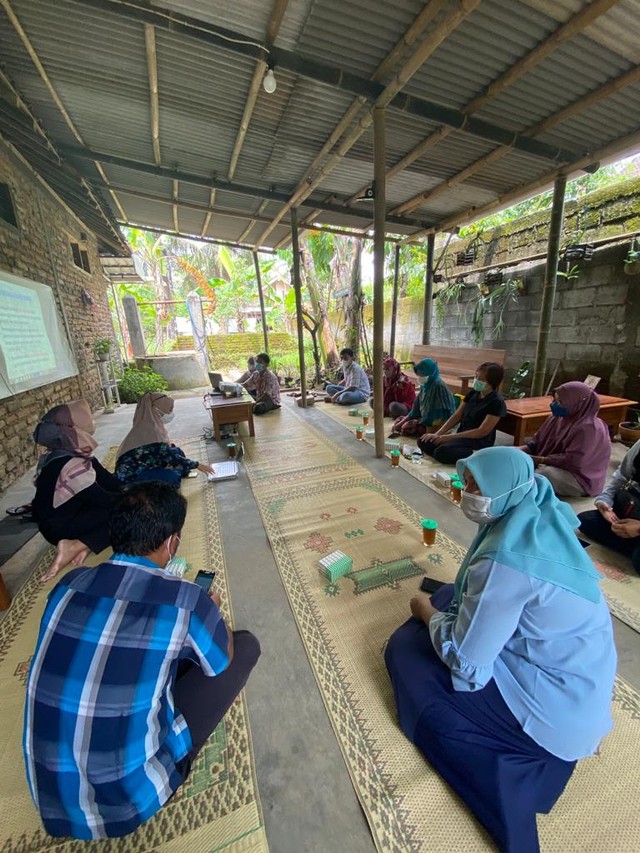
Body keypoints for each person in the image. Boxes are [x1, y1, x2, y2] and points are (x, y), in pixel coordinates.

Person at [385, 447, 616, 853]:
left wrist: (424, 614)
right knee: (449, 599)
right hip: (580, 684)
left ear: (505, 488)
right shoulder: (538, 514)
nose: (466, 491)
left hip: (555, 716)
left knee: (407, 651)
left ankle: (503, 775)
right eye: (468, 480)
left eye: (477, 484)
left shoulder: (505, 561)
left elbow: (467, 664)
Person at [23, 480, 260, 840]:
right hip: (130, 799)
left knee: (147, 653)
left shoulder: (68, 585)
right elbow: (220, 662)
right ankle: (169, 767)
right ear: (172, 543)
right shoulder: (185, 599)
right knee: (244, 646)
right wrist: (210, 611)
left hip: (53, 798)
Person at [31, 400, 121, 573]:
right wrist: (136, 500)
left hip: (62, 520)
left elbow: (109, 481)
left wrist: (136, 489)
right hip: (59, 529)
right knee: (128, 515)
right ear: (72, 427)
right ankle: (75, 545)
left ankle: (84, 544)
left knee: (128, 505)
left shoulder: (67, 452)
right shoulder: (70, 463)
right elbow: (103, 500)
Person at [517, 381, 611, 497]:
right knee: (511, 458)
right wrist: (515, 451)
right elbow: (535, 444)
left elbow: (573, 461)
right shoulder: (556, 418)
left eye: (560, 402)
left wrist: (539, 460)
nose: (554, 405)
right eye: (554, 400)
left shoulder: (589, 428)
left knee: (542, 475)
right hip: (551, 464)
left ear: (576, 404)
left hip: (579, 477)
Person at [115, 392, 215, 487]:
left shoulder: (148, 422)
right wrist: (198, 465)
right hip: (132, 475)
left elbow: (165, 451)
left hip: (144, 462)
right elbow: (169, 456)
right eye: (169, 410)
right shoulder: (150, 430)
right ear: (156, 409)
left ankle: (176, 470)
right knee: (172, 478)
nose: (170, 413)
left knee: (176, 451)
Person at [419, 362, 506, 464]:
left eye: (481, 380)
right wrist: (437, 434)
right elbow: (457, 415)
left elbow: (481, 431)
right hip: (461, 435)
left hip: (477, 441)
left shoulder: (497, 402)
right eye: (476, 377)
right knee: (424, 441)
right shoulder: (473, 393)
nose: (477, 381)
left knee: (442, 452)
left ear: (492, 383)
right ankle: (449, 450)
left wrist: (448, 437)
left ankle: (476, 454)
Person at [578, 438, 640, 573]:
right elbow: (621, 476)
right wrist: (604, 502)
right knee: (585, 521)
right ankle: (629, 539)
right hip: (631, 509)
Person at [390, 358, 455, 438]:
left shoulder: (438, 386)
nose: (419, 377)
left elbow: (436, 415)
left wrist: (418, 422)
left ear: (429, 373)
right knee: (400, 421)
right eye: (419, 375)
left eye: (421, 375)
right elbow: (415, 410)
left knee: (409, 429)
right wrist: (402, 423)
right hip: (426, 418)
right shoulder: (426, 386)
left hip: (439, 423)